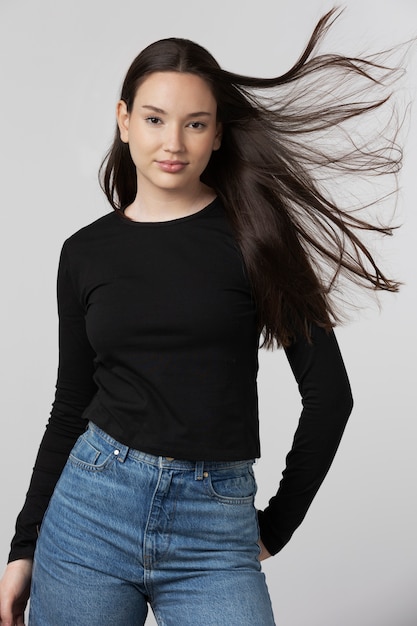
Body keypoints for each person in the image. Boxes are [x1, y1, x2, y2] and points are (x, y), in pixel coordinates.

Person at [0, 8, 406, 626]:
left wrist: (275, 527)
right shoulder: (84, 253)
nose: (173, 143)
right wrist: (24, 547)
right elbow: (70, 403)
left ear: (217, 135)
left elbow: (331, 395)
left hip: (213, 528)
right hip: (88, 514)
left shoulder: (257, 238)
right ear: (124, 121)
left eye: (195, 124)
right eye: (156, 119)